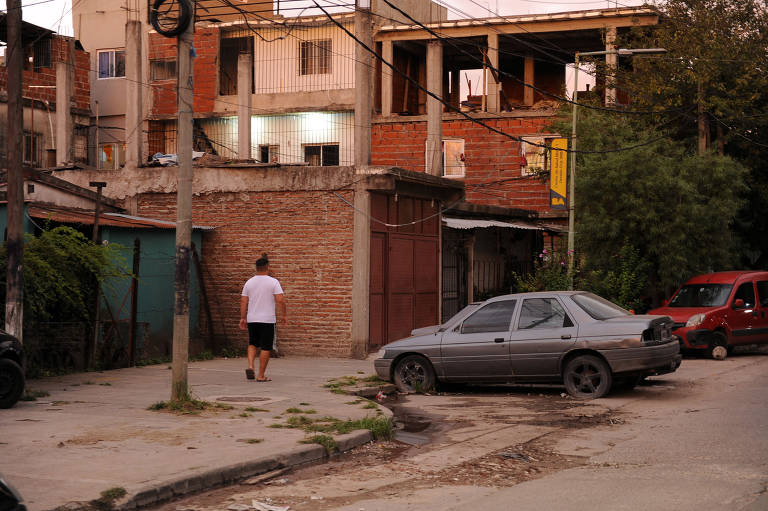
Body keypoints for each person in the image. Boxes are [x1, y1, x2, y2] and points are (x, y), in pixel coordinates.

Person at [239, 256, 286, 381]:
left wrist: (243, 318)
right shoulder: (273, 282)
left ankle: (250, 366)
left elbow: (243, 301)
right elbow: (280, 300)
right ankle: (260, 376)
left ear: (256, 268)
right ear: (268, 268)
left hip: (252, 318)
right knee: (266, 347)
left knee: (253, 343)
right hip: (267, 320)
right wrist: (284, 315)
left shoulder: (249, 282)